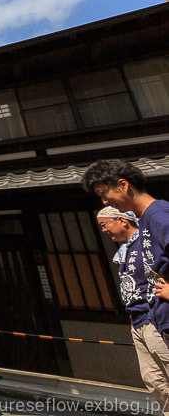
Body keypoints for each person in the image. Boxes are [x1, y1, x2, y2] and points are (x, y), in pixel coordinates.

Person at [83, 160, 169, 363]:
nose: (104, 201)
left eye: (104, 194)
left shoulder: (158, 214)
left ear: (123, 185)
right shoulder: (147, 217)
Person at [97, 206, 169, 412]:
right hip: (137, 321)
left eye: (104, 225)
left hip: (154, 318)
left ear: (122, 221)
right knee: (153, 379)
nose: (104, 230)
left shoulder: (146, 243)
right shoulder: (125, 249)